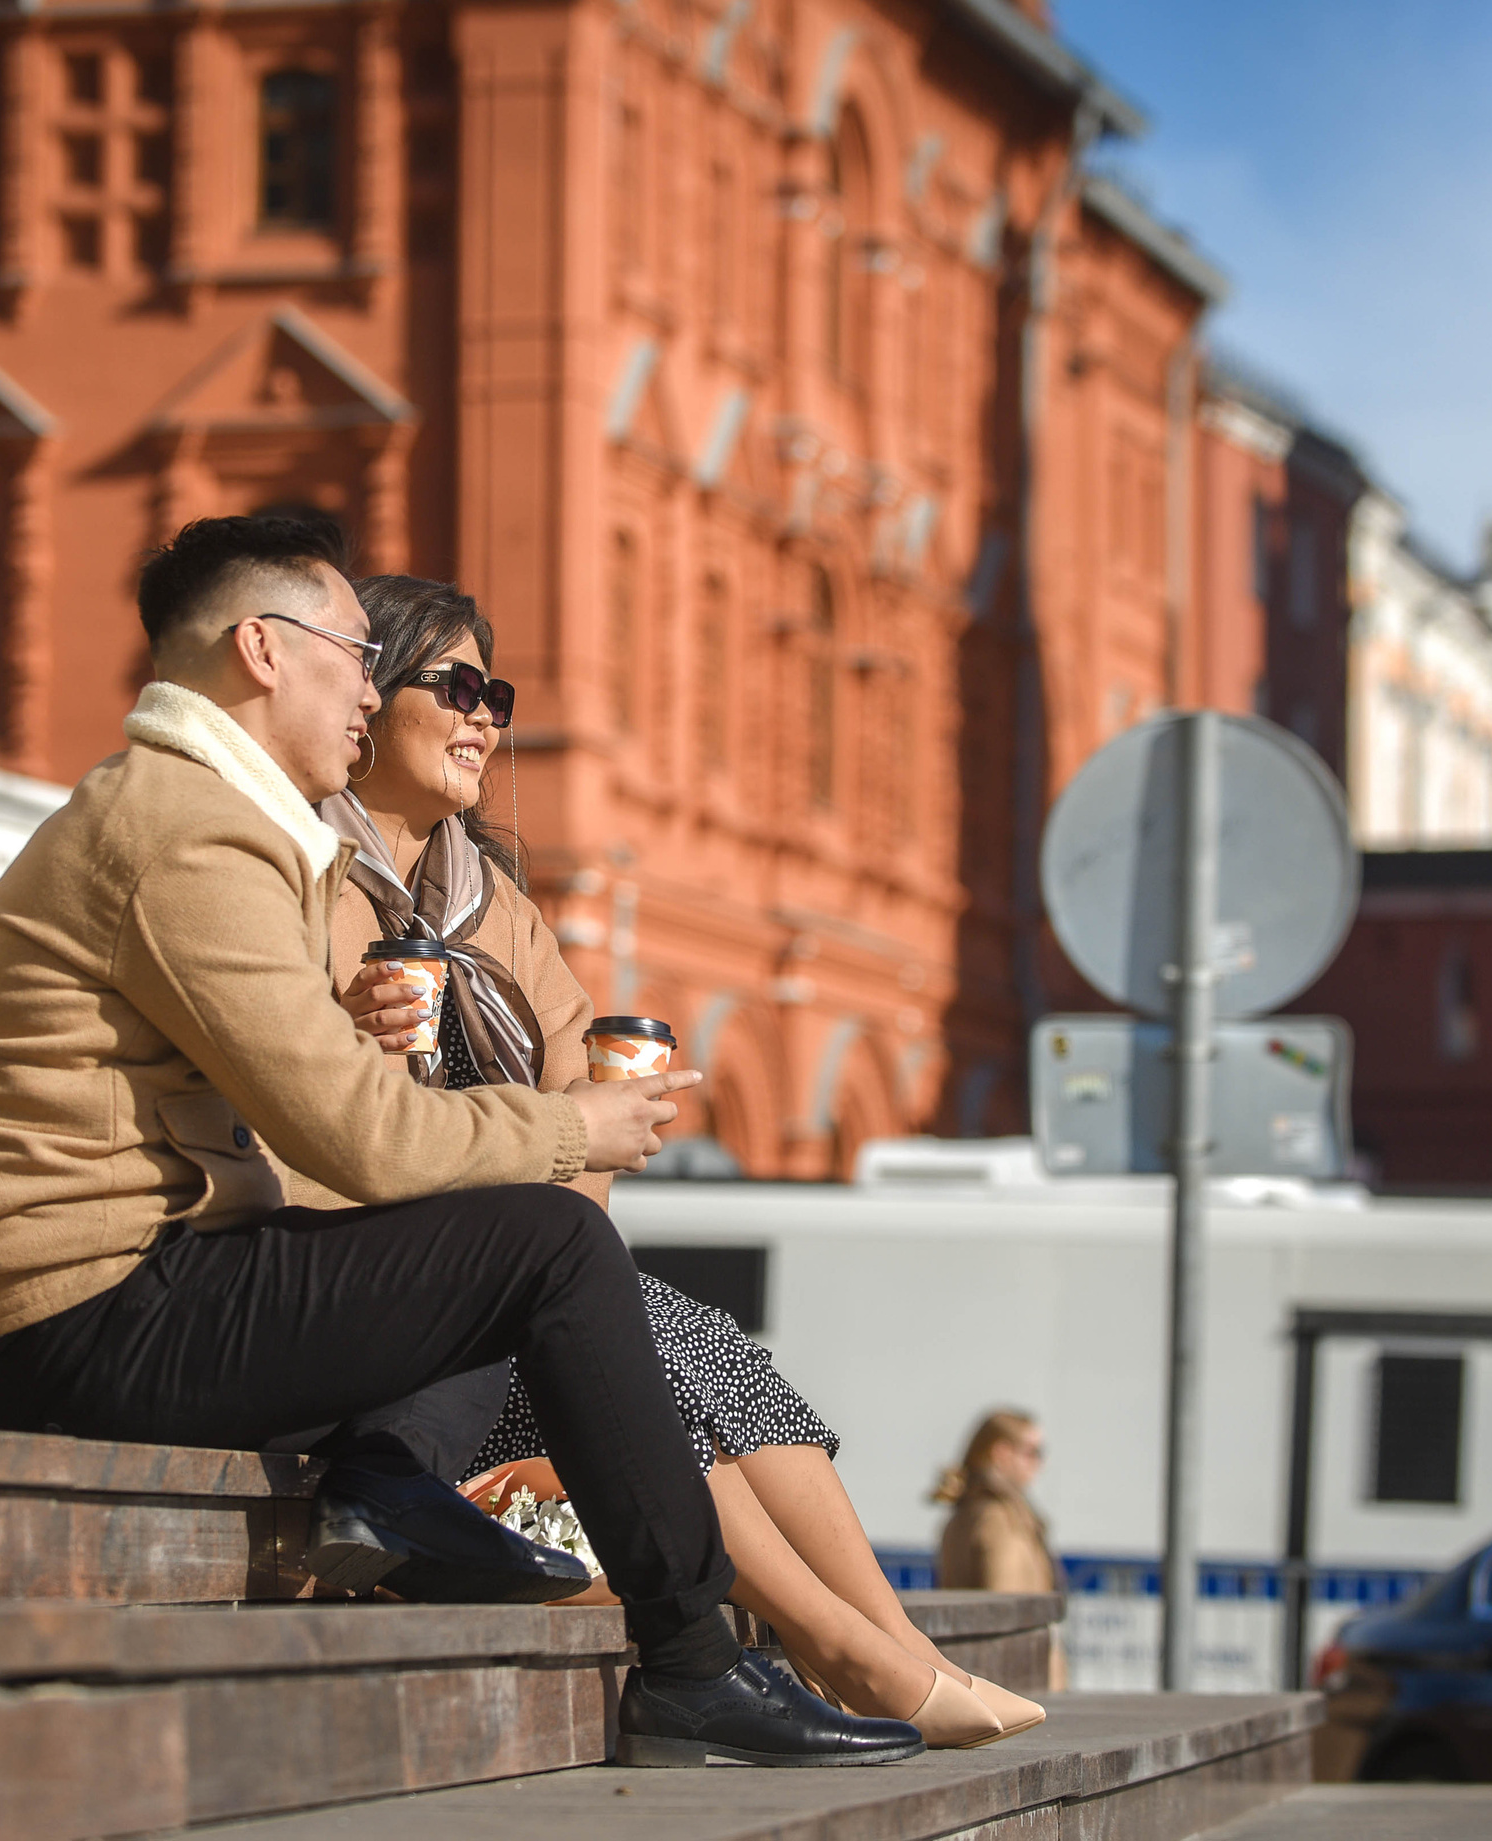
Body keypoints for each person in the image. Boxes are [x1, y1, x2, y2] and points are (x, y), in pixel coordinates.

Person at [0, 515, 924, 1769]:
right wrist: (574, 1127)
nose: (369, 685)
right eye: (356, 653)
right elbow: (359, 1137)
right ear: (263, 651)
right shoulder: (190, 829)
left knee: (508, 1250)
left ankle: (395, 1486)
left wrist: (362, 1041)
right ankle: (695, 1662)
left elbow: (305, 1106)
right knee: (549, 1240)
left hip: (134, 1285)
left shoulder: (197, 815)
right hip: (89, 1316)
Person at [318, 573, 1047, 1749]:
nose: (484, 718)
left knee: (679, 1330)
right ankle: (849, 1647)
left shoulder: (490, 905)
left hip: (508, 1292)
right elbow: (324, 1124)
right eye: (454, 686)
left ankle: (889, 1643)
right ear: (364, 694)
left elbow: (578, 1122)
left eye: (494, 693)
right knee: (646, 1333)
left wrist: (582, 1159)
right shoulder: (310, 874)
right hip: (380, 1304)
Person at [933, 1412, 1066, 1689]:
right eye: (1033, 1452)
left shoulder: (970, 1512)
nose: (1041, 1463)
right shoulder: (998, 1520)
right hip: (1017, 1681)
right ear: (1002, 1453)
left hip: (988, 1677)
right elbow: (1007, 1614)